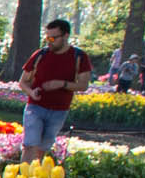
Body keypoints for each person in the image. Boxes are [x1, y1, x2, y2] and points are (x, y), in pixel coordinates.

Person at [18, 16, 94, 163]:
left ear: (66, 36)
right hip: (35, 107)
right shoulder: (40, 55)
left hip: (59, 110)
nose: (49, 41)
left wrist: (61, 84)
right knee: (30, 144)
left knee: (42, 148)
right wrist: (31, 92)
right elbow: (23, 82)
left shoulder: (79, 57)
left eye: (53, 38)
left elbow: (83, 85)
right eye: (48, 38)